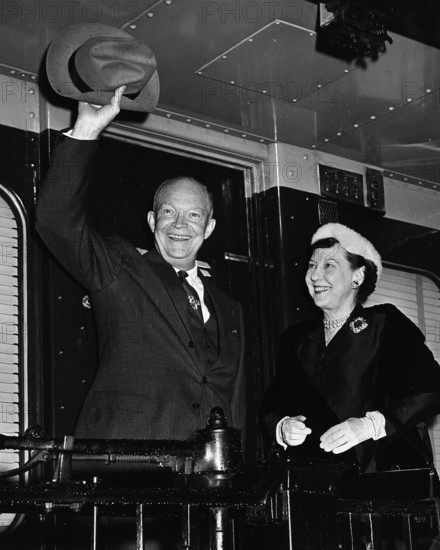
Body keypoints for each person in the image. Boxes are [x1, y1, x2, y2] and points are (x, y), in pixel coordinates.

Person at [35, 87, 246, 443]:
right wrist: (86, 131)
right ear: (152, 221)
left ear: (208, 228)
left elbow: (234, 399)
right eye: (169, 212)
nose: (180, 225)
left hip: (207, 475)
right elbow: (55, 222)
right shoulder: (120, 266)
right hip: (129, 459)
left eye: (193, 215)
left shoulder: (230, 308)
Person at [261, 222, 440, 473]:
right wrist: (282, 427)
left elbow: (432, 390)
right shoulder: (295, 339)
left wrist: (371, 425)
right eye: (312, 266)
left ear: (357, 276)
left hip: (378, 480)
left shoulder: (386, 324)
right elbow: (271, 405)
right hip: (315, 484)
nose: (314, 276)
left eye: (329, 266)